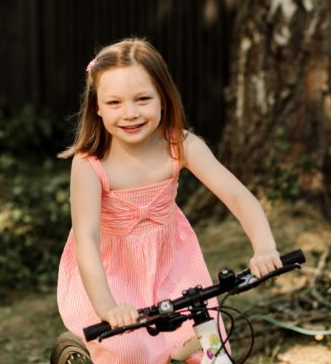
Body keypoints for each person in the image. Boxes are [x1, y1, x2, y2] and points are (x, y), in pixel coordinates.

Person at [56, 37, 282, 364]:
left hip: (174, 264)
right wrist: (107, 306)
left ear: (163, 98)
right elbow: (87, 241)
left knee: (210, 343)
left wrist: (264, 247)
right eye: (115, 103)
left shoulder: (181, 144)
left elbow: (237, 195)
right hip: (111, 274)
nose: (130, 113)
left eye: (142, 99)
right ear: (98, 108)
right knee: (128, 349)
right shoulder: (91, 164)